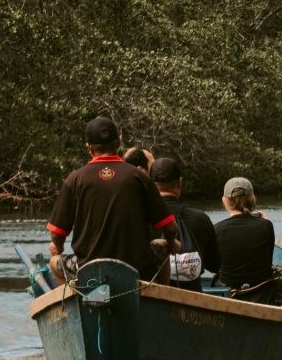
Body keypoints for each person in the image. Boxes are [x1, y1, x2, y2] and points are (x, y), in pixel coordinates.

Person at [46, 116, 178, 283]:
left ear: (89, 147)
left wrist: (57, 248)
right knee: (163, 245)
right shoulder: (139, 177)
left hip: (88, 269)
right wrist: (172, 243)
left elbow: (57, 234)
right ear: (117, 143)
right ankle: (160, 301)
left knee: (53, 261)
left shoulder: (74, 179)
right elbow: (171, 228)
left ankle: (76, 302)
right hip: (138, 269)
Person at [150, 157, 220, 292]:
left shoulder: (141, 217)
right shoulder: (200, 218)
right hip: (191, 302)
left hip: (152, 299)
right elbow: (215, 264)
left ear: (151, 186)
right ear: (180, 183)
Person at [214, 177, 282, 303]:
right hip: (261, 293)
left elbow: (213, 265)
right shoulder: (266, 226)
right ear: (252, 199)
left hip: (228, 292)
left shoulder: (217, 229)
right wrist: (265, 222)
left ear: (225, 201)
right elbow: (268, 260)